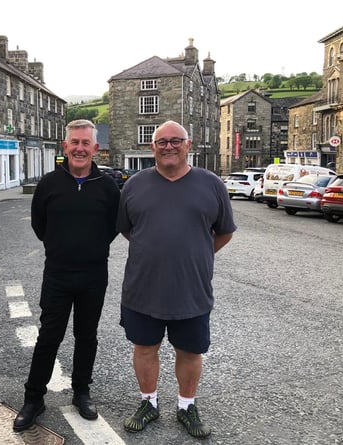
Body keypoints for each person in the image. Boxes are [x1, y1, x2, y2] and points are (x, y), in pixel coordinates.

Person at [116, 120, 236, 439]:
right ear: (152, 147)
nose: (169, 146)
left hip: (191, 289)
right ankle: (149, 403)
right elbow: (129, 229)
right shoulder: (134, 184)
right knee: (144, 348)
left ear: (188, 144)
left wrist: (197, 252)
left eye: (175, 141)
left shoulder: (211, 184)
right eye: (162, 142)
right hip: (143, 288)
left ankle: (186, 406)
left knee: (190, 352)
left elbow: (224, 231)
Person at [13, 119, 121, 432]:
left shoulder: (107, 187)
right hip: (58, 274)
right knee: (49, 336)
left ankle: (81, 392)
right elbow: (39, 224)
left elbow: (114, 226)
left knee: (86, 336)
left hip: (93, 275)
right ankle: (34, 398)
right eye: (74, 142)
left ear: (95, 148)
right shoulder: (49, 184)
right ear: (65, 146)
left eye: (86, 143)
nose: (80, 148)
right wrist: (62, 247)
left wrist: (92, 247)